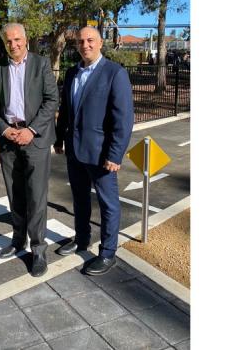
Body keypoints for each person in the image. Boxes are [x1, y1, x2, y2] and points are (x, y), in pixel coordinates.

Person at [54, 26, 134, 276]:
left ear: (100, 43)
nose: (85, 45)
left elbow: (123, 118)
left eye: (90, 40)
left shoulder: (114, 73)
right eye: (80, 41)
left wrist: (115, 154)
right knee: (79, 199)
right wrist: (59, 138)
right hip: (75, 151)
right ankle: (81, 239)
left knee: (108, 204)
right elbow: (65, 109)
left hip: (101, 155)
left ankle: (108, 252)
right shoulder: (71, 73)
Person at [0, 23, 58, 277]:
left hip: (34, 138)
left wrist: (32, 130)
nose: (13, 44)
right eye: (8, 41)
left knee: (36, 195)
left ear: (25, 40)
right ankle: (18, 240)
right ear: (3, 43)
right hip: (9, 138)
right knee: (15, 193)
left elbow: (51, 100)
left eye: (17, 39)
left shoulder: (41, 64)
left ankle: (38, 247)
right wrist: (4, 129)